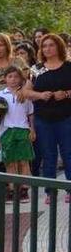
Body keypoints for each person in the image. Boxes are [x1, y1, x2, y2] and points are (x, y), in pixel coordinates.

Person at [27, 34, 71, 202]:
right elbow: (25, 92)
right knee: (48, 155)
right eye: (44, 46)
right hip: (43, 119)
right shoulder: (36, 69)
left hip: (66, 117)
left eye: (51, 45)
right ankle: (49, 192)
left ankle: (69, 189)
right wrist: (39, 95)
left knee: (68, 153)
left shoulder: (68, 67)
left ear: (58, 46)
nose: (47, 49)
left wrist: (66, 93)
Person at [0, 67, 35, 202]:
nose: (13, 79)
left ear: (21, 79)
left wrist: (32, 129)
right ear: (5, 79)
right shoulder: (0, 95)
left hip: (23, 129)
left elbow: (30, 113)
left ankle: (24, 189)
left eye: (16, 77)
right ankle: (11, 189)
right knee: (10, 162)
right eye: (10, 76)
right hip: (7, 131)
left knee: (24, 161)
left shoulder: (25, 94)